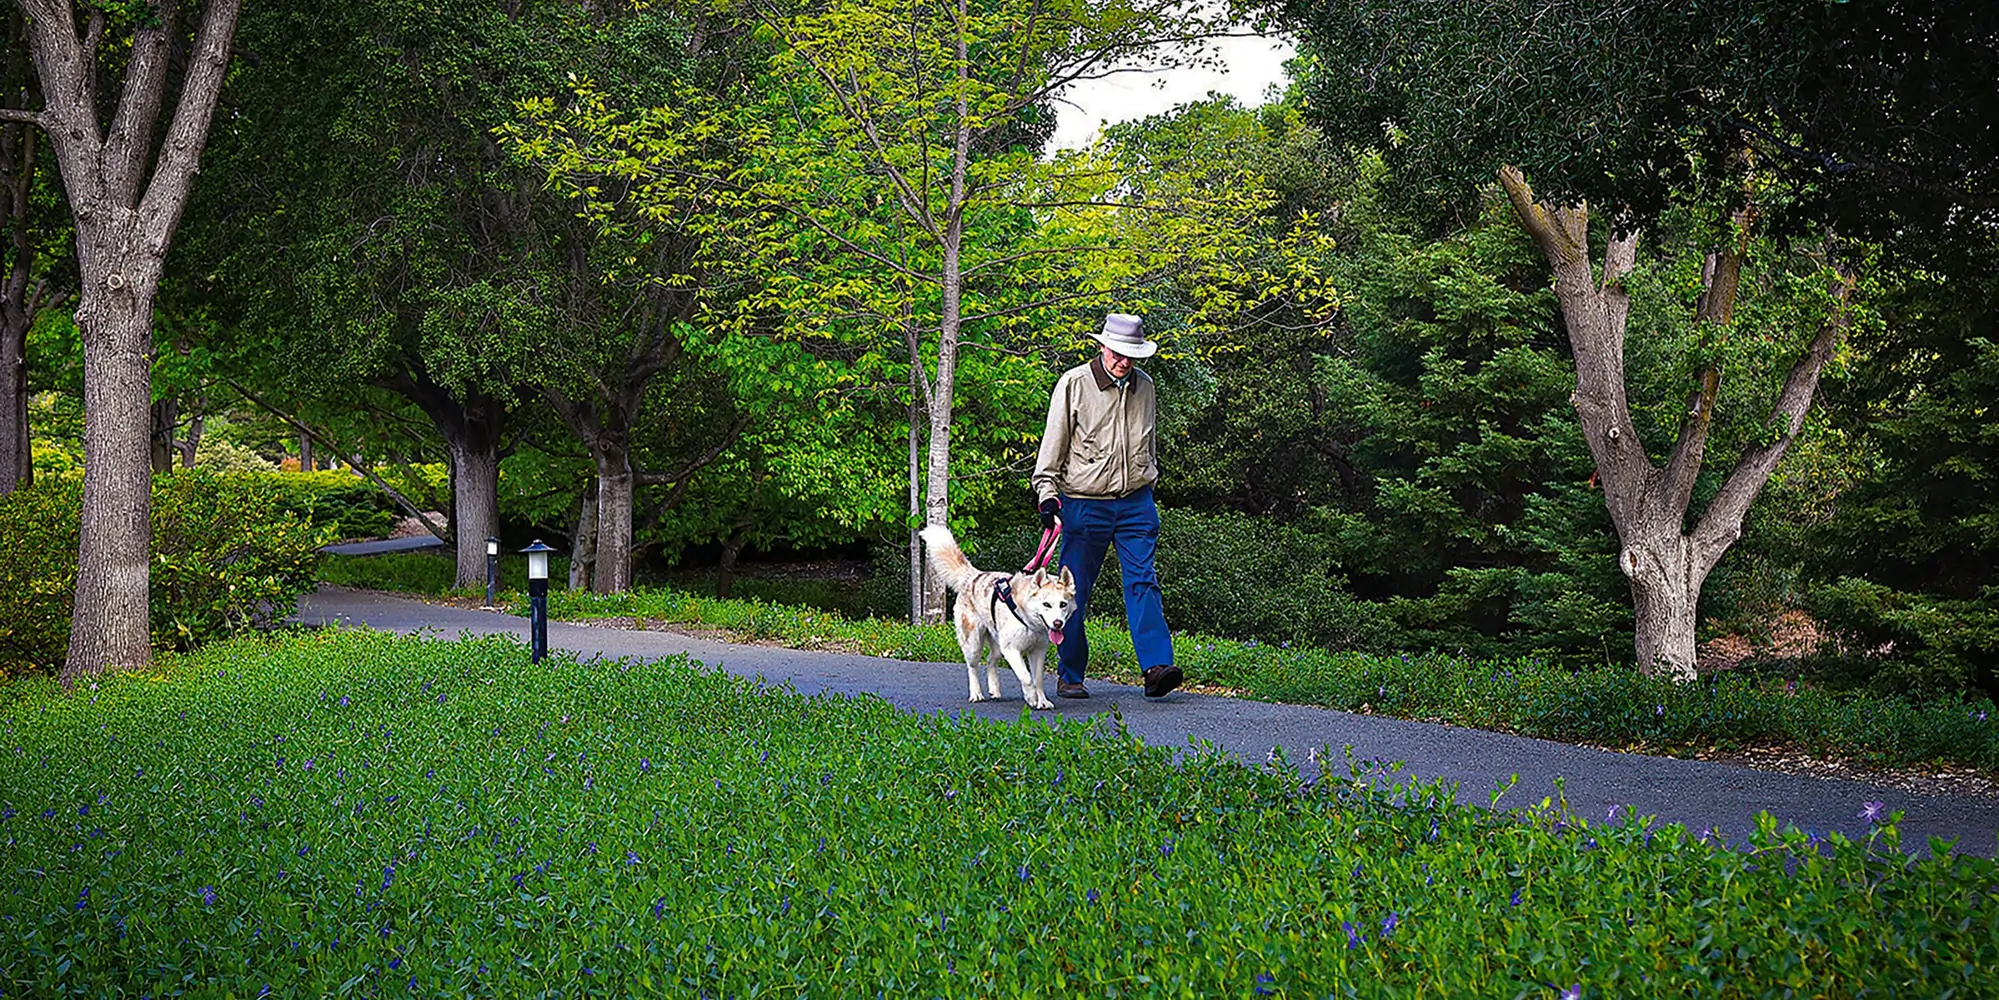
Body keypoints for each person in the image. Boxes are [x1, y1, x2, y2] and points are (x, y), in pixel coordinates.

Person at [1030, 312, 1182, 700]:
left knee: (1143, 581)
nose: (1123, 361)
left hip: (1136, 504)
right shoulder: (1074, 385)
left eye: (1131, 354)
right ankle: (1070, 673)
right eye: (1118, 352)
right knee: (1071, 590)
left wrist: (1148, 479)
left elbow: (1145, 444)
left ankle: (1156, 668)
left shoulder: (1145, 387)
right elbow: (1051, 450)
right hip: (1083, 504)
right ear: (1103, 347)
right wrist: (1048, 496)